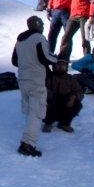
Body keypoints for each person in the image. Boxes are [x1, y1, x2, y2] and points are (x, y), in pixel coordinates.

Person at [11, 15, 59, 156]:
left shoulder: (20, 40)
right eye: (42, 24)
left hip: (23, 79)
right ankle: (28, 144)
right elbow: (45, 57)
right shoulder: (39, 38)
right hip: (36, 79)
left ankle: (27, 140)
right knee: (36, 112)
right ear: (37, 24)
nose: (44, 27)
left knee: (29, 111)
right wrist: (57, 59)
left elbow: (14, 61)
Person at [43, 60, 84, 133]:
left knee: (77, 105)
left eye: (63, 65)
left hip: (66, 100)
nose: (60, 67)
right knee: (49, 103)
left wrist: (73, 97)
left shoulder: (70, 78)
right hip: (52, 100)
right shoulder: (49, 77)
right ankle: (48, 123)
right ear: (54, 67)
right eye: (58, 65)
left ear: (66, 67)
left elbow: (79, 91)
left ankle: (64, 124)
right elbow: (43, 90)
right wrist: (52, 95)